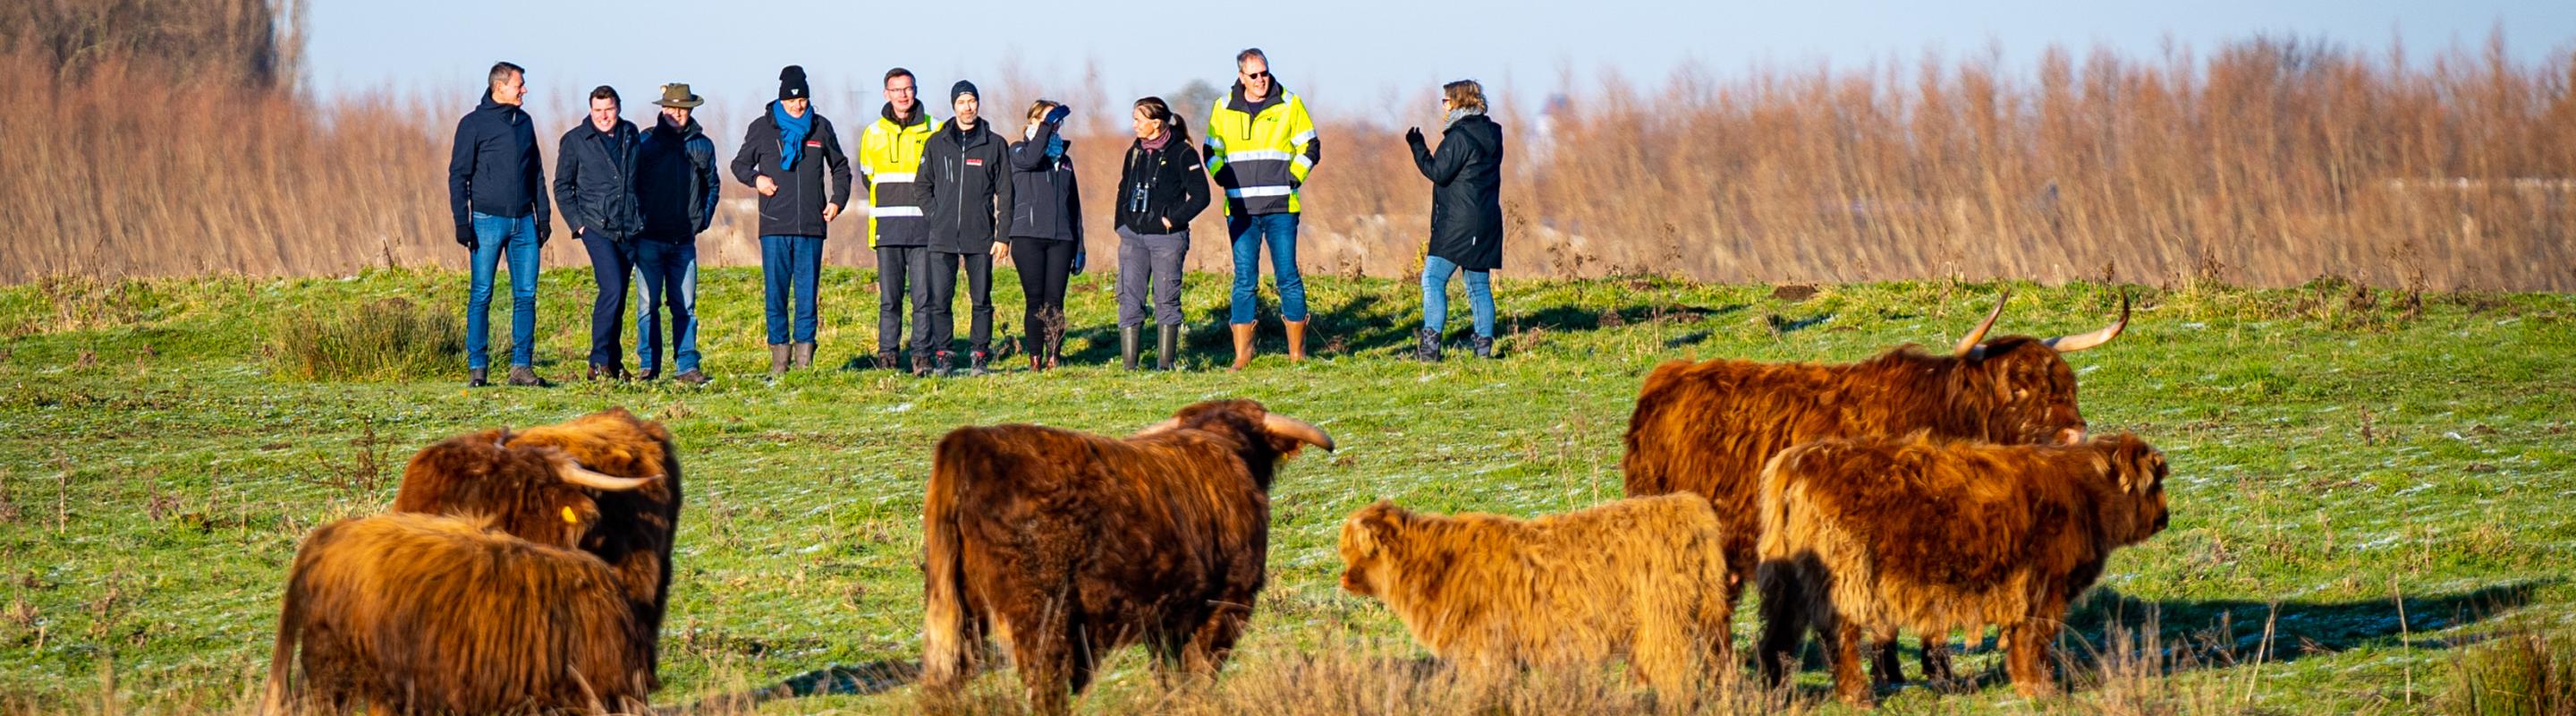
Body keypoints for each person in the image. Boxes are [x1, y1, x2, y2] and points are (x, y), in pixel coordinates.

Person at [730, 64, 853, 377]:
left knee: (807, 295)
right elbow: (739, 165)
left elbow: (840, 167)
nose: (798, 106)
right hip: (774, 225)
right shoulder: (762, 127)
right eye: (791, 102)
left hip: (811, 225)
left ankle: (804, 364)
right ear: (781, 100)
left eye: (802, 101)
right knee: (776, 294)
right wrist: (757, 180)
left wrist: (838, 199)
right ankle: (778, 364)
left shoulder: (821, 127)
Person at [1205, 47, 1320, 371]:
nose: (1261, 80)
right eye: (1254, 75)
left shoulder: (1290, 103)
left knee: (1288, 277)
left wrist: (1293, 177)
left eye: (1265, 73)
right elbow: (1211, 149)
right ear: (1241, 76)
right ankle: (1243, 355)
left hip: (1281, 207)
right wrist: (1223, 177)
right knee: (1244, 280)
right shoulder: (1222, 107)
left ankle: (1297, 353)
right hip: (1240, 210)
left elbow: (1310, 145)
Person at [446, 61, 552, 388]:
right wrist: (462, 223)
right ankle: (478, 368)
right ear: (499, 87)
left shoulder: (525, 122)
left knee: (526, 295)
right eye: (520, 85)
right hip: (486, 222)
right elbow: (458, 175)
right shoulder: (473, 124)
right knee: (481, 294)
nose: (525, 90)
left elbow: (535, 172)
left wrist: (543, 217)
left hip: (524, 223)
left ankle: (521, 367)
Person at [916, 81, 1013, 377]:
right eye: (961, 102)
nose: (967, 107)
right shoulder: (936, 143)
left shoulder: (994, 144)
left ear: (978, 104)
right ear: (953, 106)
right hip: (942, 237)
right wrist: (937, 216)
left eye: (972, 101)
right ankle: (944, 357)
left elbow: (1007, 193)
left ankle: (979, 357)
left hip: (980, 236)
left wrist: (1003, 236)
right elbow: (922, 186)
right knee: (938, 301)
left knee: (981, 300)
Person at [1405, 80, 1505, 361]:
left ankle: (1429, 350)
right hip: (1486, 222)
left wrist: (1417, 146)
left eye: (1446, 101)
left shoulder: (1460, 137)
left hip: (1458, 224)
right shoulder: (1492, 134)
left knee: (1432, 279)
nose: (1443, 106)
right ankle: (1483, 352)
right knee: (1477, 286)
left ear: (1459, 102)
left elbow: (1438, 172)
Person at [631, 82, 719, 385]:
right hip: (649, 239)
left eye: (682, 109)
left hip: (684, 241)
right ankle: (648, 365)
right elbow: (632, 186)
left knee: (685, 306)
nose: (676, 114)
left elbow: (713, 186)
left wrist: (701, 219)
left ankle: (686, 366)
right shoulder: (645, 143)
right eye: (671, 108)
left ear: (690, 110)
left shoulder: (703, 145)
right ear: (663, 109)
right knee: (648, 305)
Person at [1113, 97, 1210, 371]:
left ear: (1156, 124)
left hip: (1167, 238)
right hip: (1132, 236)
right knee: (1129, 298)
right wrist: (1121, 223)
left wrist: (1173, 220)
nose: (1133, 125)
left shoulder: (1183, 153)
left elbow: (1201, 196)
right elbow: (1124, 188)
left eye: (1138, 120)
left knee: (1166, 298)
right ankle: (1129, 367)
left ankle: (1164, 366)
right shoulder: (1134, 152)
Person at [555, 85, 644, 380]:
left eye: (608, 109)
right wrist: (579, 224)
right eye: (597, 110)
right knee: (612, 288)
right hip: (596, 226)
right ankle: (598, 362)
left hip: (628, 226)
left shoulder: (631, 134)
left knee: (618, 297)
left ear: (618, 108)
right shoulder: (576, 141)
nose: (603, 116)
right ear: (590, 110)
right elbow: (562, 187)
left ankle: (614, 362)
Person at [858, 68, 942, 371]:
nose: (903, 95)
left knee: (924, 299)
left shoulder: (936, 128)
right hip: (888, 228)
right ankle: (888, 357)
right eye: (896, 90)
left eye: (907, 89)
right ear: (886, 94)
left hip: (925, 230)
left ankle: (922, 357)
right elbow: (867, 176)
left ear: (916, 90)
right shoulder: (873, 133)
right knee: (889, 301)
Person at [1005, 99, 1081, 371]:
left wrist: (1079, 245)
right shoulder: (1018, 151)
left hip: (1061, 238)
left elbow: (1074, 206)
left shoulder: (1065, 160)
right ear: (1034, 120)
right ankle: (1035, 357)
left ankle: (1054, 355)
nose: (1054, 126)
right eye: (1048, 120)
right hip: (1027, 237)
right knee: (1034, 300)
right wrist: (1045, 129)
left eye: (1056, 121)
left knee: (1055, 301)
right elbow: (1032, 158)